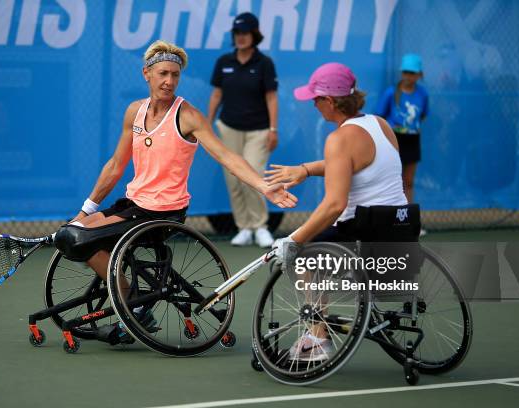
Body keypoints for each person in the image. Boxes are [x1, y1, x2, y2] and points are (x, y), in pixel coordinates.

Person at [54, 40, 297, 345]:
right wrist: (86, 211)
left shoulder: (188, 116)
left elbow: (227, 156)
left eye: (175, 75)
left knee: (78, 239)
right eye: (163, 74)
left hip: (163, 211)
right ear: (147, 74)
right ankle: (133, 299)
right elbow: (116, 165)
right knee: (73, 231)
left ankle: (135, 307)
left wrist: (263, 186)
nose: (169, 81)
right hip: (132, 204)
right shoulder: (134, 112)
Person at [266, 63, 417, 361]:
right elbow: (357, 162)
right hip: (402, 228)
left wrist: (293, 240)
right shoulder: (380, 125)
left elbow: (334, 204)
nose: (313, 104)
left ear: (331, 102)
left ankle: (318, 338)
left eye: (316, 98)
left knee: (304, 253)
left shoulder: (338, 139)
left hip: (366, 235)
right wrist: (307, 170)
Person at [207, 12, 279, 248]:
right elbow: (217, 94)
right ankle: (244, 227)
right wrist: (207, 124)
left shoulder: (264, 63)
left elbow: (271, 98)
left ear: (254, 35)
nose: (241, 37)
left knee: (253, 177)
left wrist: (273, 129)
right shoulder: (223, 62)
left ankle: (260, 227)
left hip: (258, 131)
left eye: (245, 33)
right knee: (234, 179)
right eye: (237, 33)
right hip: (228, 128)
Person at [376, 53, 428, 205]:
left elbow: (423, 114)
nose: (408, 76)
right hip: (393, 140)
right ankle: (391, 217)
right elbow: (380, 115)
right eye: (405, 72)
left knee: (408, 181)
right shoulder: (391, 92)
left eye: (412, 73)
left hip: (412, 140)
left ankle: (408, 220)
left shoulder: (422, 93)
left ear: (419, 74)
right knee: (392, 181)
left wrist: (410, 128)